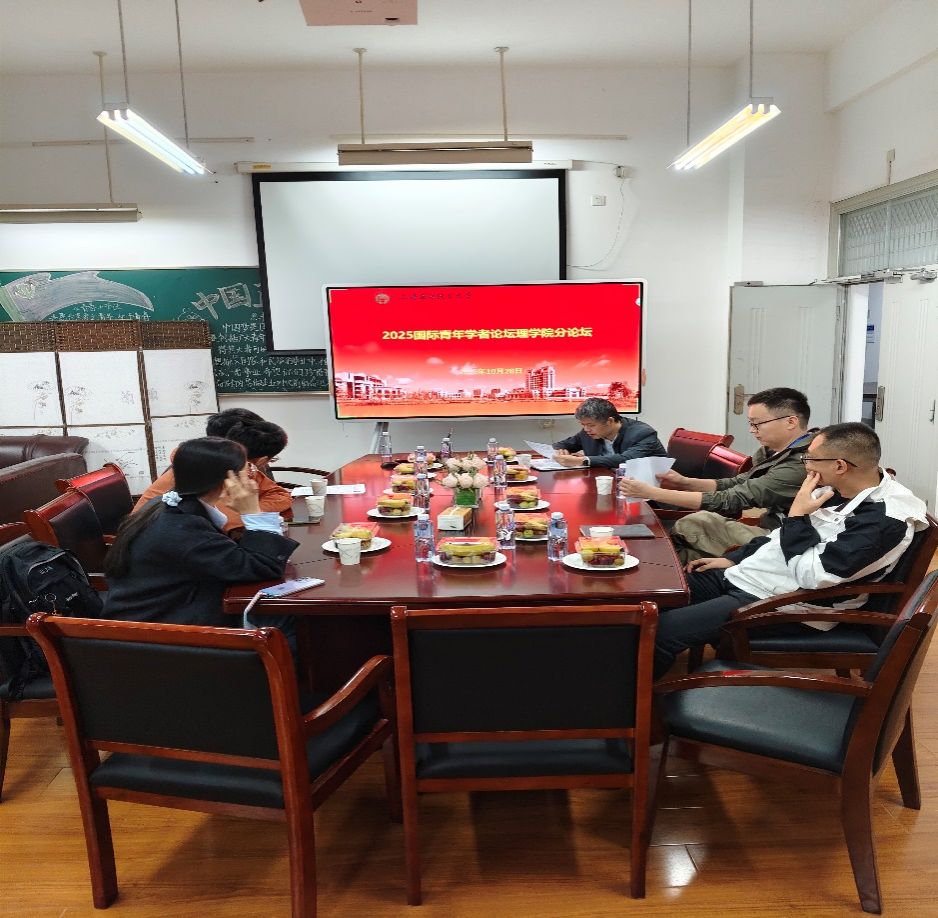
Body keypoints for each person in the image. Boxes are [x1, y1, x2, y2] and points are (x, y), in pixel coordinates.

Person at [653, 422, 928, 678]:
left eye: (810, 458)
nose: (805, 464)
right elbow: (779, 538)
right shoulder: (838, 489)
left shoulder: (884, 520)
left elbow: (814, 576)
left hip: (784, 604)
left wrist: (797, 517)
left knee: (660, 633)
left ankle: (640, 707)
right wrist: (733, 559)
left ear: (840, 466)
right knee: (651, 599)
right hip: (752, 578)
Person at [103, 436, 299, 629]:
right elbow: (264, 567)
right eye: (246, 470)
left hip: (169, 610)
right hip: (161, 630)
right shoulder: (183, 527)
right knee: (290, 618)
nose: (251, 476)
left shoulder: (168, 504)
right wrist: (252, 511)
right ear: (227, 481)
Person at [619, 387, 817, 562]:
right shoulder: (773, 451)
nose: (752, 430)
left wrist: (653, 493)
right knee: (687, 530)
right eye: (750, 423)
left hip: (783, 538)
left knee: (682, 537)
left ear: (791, 422)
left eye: (757, 424)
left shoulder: (802, 463)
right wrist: (684, 482)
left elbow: (733, 499)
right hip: (770, 527)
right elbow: (738, 482)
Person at [134, 411, 292, 532]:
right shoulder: (203, 472)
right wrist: (250, 512)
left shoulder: (237, 467)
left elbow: (280, 495)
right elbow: (225, 524)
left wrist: (251, 510)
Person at [552, 397, 666, 469]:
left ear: (610, 421)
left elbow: (626, 460)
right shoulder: (588, 432)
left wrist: (584, 460)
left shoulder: (643, 434)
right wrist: (561, 451)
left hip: (650, 490)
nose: (586, 429)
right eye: (583, 425)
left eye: (591, 425)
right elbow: (562, 444)